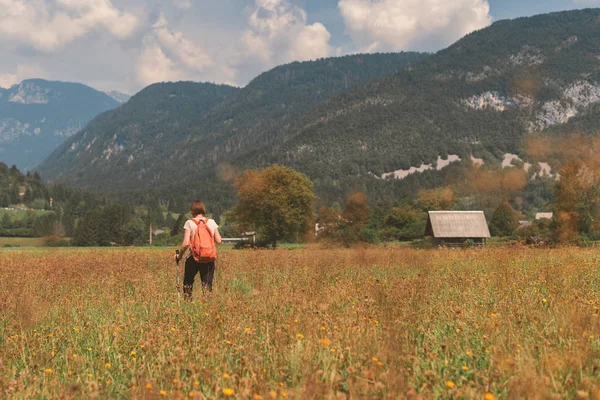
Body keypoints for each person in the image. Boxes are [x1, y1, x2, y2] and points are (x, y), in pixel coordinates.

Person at [174, 201, 222, 298]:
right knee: (207, 286)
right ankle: (207, 307)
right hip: (209, 258)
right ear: (203, 209)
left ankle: (187, 304)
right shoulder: (211, 222)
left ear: (192, 210)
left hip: (193, 257)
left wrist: (179, 256)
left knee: (188, 283)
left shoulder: (189, 223)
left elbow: (185, 244)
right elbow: (219, 240)